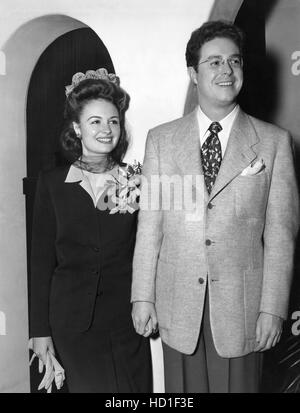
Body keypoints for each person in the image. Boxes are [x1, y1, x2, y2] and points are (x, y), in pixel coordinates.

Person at [131, 21, 299, 393]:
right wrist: (142, 296)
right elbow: (150, 228)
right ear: (193, 73)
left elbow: (281, 235)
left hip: (242, 310)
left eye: (234, 61)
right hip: (178, 306)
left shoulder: (273, 143)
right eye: (214, 62)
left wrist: (272, 308)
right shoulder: (161, 140)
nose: (226, 71)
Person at [29, 68, 152, 393]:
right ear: (77, 128)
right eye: (95, 121)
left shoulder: (135, 180)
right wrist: (39, 330)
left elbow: (149, 250)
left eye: (113, 121)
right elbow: (41, 262)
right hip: (72, 324)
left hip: (126, 321)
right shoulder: (52, 183)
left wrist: (147, 301)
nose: (106, 129)